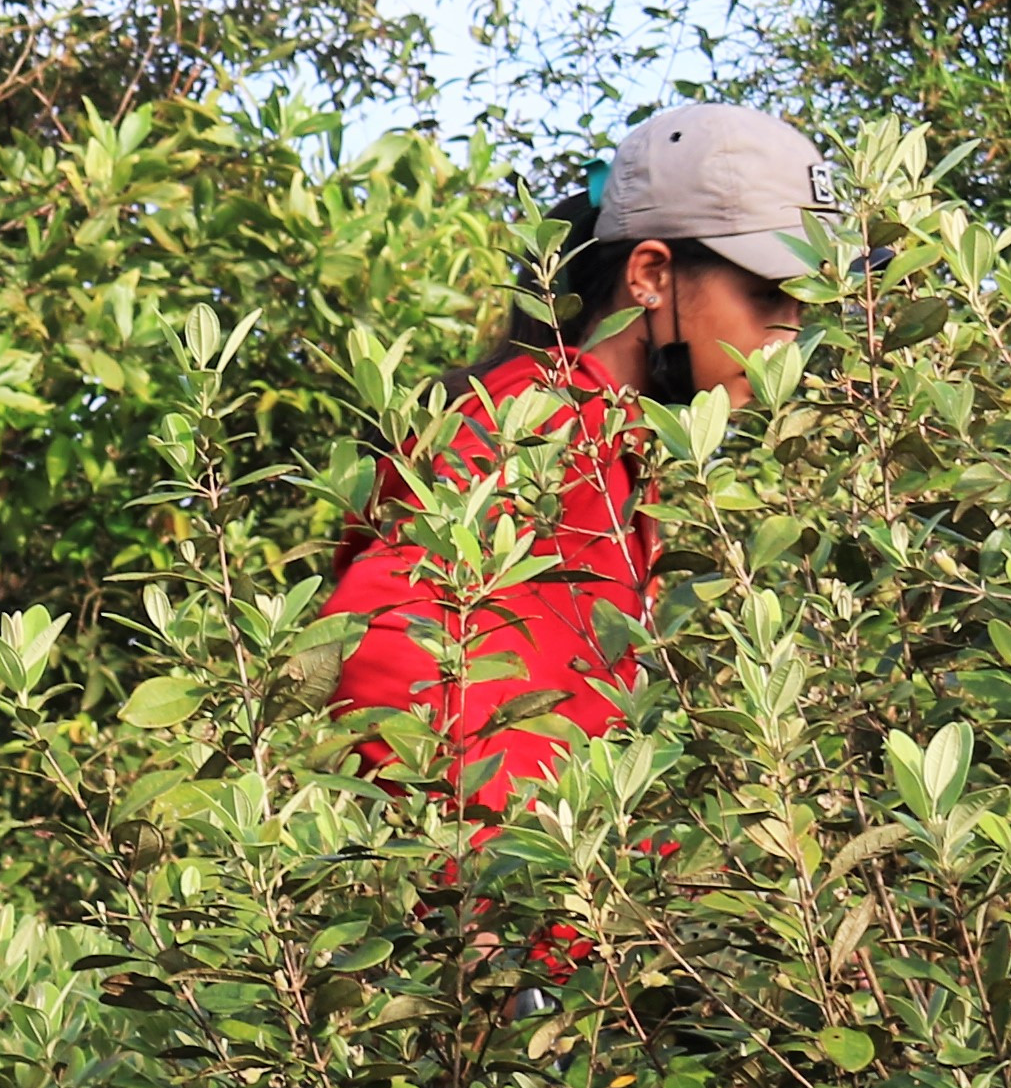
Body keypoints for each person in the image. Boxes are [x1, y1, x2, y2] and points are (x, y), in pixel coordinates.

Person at [324, 97, 828, 810]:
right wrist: (489, 883)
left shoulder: (609, 437)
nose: (786, 339)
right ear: (649, 275)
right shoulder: (538, 423)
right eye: (767, 297)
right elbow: (378, 647)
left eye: (802, 309)